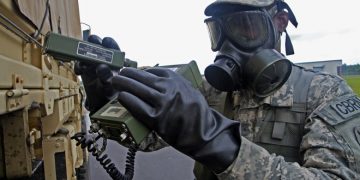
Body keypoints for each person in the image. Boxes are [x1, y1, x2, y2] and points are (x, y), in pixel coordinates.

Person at [77, 0, 360, 179]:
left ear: (279, 23)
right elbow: (147, 139)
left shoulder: (325, 93)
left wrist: (218, 144)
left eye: (245, 26)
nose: (229, 44)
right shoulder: (211, 89)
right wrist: (105, 94)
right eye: (219, 31)